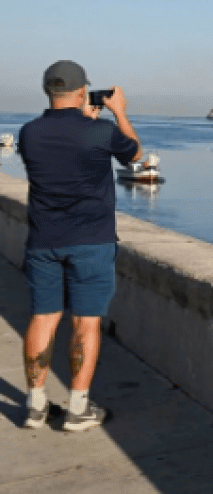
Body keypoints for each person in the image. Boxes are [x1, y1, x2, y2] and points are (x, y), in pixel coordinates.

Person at [17, 60, 141, 431]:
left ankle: (35, 406)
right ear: (83, 91)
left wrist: (83, 120)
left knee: (43, 319)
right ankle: (78, 408)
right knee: (85, 324)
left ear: (48, 91)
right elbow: (133, 153)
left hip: (44, 241)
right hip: (91, 242)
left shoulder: (28, 133)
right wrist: (118, 112)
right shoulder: (100, 132)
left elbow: (62, 152)